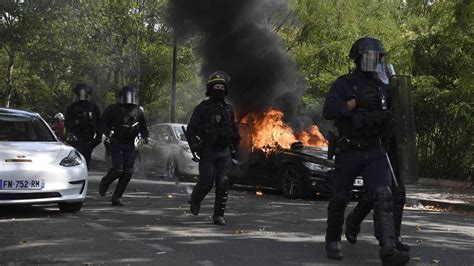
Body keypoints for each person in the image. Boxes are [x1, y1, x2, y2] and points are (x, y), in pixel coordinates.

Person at [322, 37, 409, 265]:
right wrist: (353, 103)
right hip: (349, 149)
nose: (373, 61)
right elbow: (329, 110)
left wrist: (391, 121)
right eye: (368, 57)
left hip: (375, 150)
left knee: (383, 195)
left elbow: (393, 115)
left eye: (376, 58)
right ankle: (332, 239)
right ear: (358, 58)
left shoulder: (382, 88)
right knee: (340, 197)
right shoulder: (343, 84)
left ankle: (388, 250)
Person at [185, 71, 240, 226]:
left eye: (221, 86)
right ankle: (195, 199)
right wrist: (195, 146)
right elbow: (191, 131)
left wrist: (236, 152)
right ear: (210, 88)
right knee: (206, 182)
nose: (219, 88)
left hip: (224, 152)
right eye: (216, 86)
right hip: (208, 151)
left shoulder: (229, 109)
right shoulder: (202, 108)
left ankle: (218, 215)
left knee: (223, 182)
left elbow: (235, 133)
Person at [345, 137, 410, 252]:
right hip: (377, 147)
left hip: (395, 147)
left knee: (398, 193)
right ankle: (353, 221)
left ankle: (394, 237)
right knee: (375, 193)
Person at [98, 86, 149, 206]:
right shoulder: (113, 109)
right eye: (126, 96)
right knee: (118, 169)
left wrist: (145, 136)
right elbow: (102, 124)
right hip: (116, 142)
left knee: (128, 172)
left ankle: (117, 197)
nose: (129, 99)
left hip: (130, 144)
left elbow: (143, 126)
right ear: (121, 96)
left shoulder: (138, 111)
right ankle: (105, 182)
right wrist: (108, 132)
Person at [65, 83, 102, 168]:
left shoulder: (93, 107)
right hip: (76, 140)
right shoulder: (72, 107)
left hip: (89, 140)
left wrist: (97, 139)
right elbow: (67, 124)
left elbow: (100, 123)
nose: (82, 95)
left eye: (84, 92)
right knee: (75, 163)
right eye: (80, 92)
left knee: (85, 163)